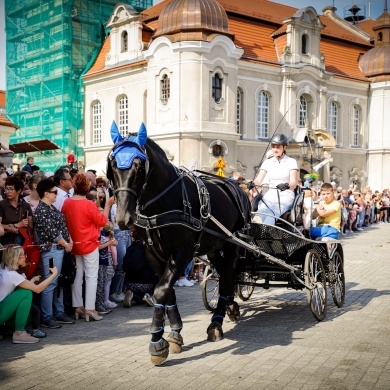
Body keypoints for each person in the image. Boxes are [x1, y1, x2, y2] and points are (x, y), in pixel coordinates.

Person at [61, 173, 115, 321]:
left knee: (78, 276)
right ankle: (90, 308)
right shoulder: (89, 205)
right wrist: (108, 205)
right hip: (89, 244)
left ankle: (78, 306)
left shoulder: (66, 203)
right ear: (86, 187)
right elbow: (103, 222)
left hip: (74, 244)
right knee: (91, 277)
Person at [34, 178, 74, 329]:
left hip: (59, 249)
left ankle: (58, 312)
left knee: (59, 282)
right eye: (54, 192)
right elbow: (52, 232)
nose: (57, 195)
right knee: (51, 283)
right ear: (46, 193)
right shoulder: (42, 210)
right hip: (51, 251)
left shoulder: (50, 208)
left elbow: (61, 227)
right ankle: (48, 315)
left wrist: (67, 241)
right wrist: (65, 243)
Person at [0, 245, 58, 344]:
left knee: (29, 314)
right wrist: (53, 275)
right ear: (15, 258)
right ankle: (19, 334)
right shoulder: (12, 275)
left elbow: (22, 285)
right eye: (23, 255)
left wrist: (32, 280)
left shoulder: (4, 269)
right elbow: (38, 289)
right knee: (26, 293)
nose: (26, 257)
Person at [252, 133, 298, 225]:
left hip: (286, 194)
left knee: (272, 212)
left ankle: (265, 233)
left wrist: (286, 185)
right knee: (261, 212)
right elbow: (259, 180)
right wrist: (252, 183)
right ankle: (255, 231)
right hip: (271, 193)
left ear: (284, 147)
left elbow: (294, 183)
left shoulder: (291, 162)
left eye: (278, 147)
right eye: (273, 147)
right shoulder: (267, 162)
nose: (275, 149)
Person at [0, 177, 33, 245]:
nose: (8, 192)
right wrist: (16, 225)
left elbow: (30, 227)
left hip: (22, 242)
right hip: (5, 243)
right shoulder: (2, 204)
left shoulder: (25, 206)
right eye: (7, 189)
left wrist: (17, 230)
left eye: (11, 189)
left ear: (19, 190)